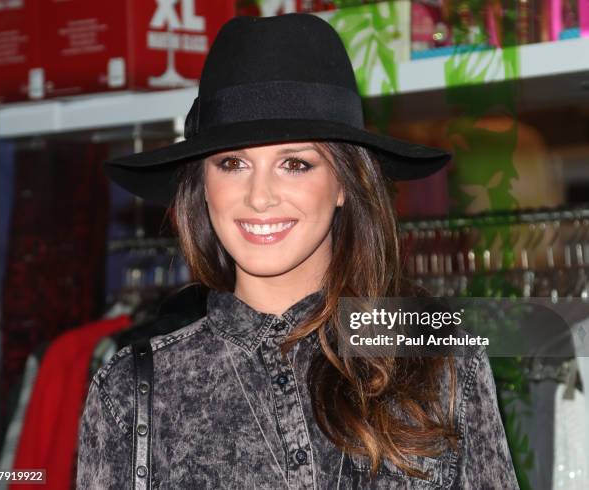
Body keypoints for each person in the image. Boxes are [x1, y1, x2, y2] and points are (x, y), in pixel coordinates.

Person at [76, 13, 519, 489]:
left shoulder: (437, 358)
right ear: (202, 186)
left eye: (295, 163)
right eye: (232, 163)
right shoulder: (133, 390)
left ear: (344, 185)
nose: (260, 195)